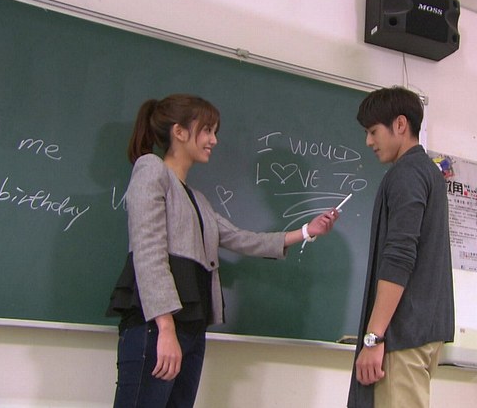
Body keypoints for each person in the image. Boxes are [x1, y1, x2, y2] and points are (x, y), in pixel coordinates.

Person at [106, 94, 339, 407]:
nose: (213, 140)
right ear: (179, 132)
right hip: (157, 327)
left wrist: (308, 231)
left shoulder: (198, 199)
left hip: (191, 329)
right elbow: (148, 251)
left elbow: (240, 238)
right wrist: (165, 328)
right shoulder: (151, 169)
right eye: (207, 130)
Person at [347, 86, 455, 408]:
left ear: (400, 124)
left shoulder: (406, 174)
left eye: (373, 131)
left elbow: (399, 256)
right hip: (422, 332)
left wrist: (374, 338)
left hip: (401, 336)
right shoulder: (429, 173)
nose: (368, 142)